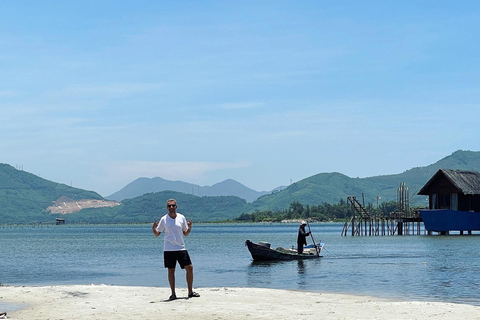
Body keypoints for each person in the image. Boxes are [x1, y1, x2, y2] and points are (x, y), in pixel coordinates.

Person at [152, 199, 200, 300]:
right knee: (171, 270)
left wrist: (190, 227)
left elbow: (185, 233)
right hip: (169, 248)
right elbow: (157, 234)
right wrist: (153, 229)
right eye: (169, 206)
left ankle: (190, 292)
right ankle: (173, 293)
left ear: (176, 206)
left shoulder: (181, 217)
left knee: (189, 268)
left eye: (173, 205)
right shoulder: (164, 219)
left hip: (180, 247)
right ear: (167, 207)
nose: (171, 208)